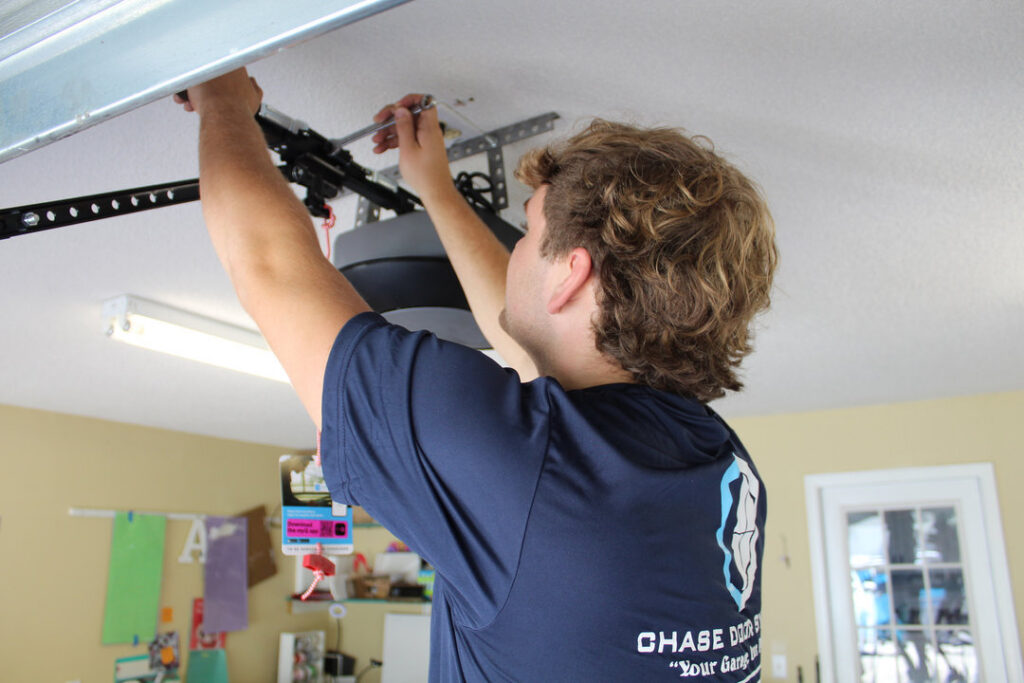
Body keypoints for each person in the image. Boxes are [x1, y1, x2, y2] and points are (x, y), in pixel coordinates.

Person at [177, 67, 777, 681]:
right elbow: (520, 336)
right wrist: (435, 191)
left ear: (570, 274)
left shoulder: (531, 467)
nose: (516, 247)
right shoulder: (715, 460)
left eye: (527, 232)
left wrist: (221, 97)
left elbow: (270, 264)